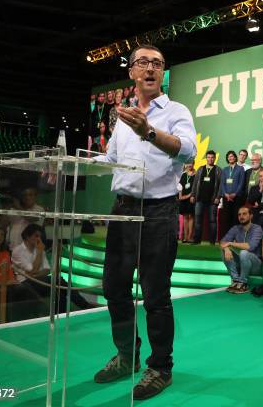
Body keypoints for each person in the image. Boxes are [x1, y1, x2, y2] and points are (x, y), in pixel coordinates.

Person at [93, 45, 197, 400]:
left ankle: (160, 367)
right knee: (114, 289)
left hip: (158, 212)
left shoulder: (176, 111)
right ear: (132, 72)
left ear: (163, 72)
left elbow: (187, 150)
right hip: (122, 211)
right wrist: (65, 163)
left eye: (157, 64)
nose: (151, 68)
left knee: (155, 295)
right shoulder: (120, 116)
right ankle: (126, 356)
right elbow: (110, 158)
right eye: (143, 63)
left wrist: (149, 131)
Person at [220, 206, 263, 294]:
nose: (241, 216)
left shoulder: (257, 229)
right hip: (242, 262)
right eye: (239, 214)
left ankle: (243, 283)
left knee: (244, 253)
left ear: (251, 216)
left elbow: (250, 247)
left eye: (244, 214)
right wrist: (226, 248)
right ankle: (235, 281)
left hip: (256, 265)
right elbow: (222, 242)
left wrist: (231, 243)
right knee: (224, 250)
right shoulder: (236, 228)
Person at [191, 150, 222, 245]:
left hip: (212, 200)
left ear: (215, 158)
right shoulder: (200, 169)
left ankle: (212, 242)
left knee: (212, 221)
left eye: (212, 157)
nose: (210, 159)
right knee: (197, 220)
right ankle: (196, 241)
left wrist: (218, 197)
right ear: (206, 158)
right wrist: (192, 195)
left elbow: (221, 185)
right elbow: (195, 183)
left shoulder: (218, 170)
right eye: (208, 157)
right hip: (199, 199)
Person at [221, 150, 245, 229]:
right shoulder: (225, 169)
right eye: (228, 157)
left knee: (236, 217)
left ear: (235, 158)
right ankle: (228, 237)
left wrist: (235, 194)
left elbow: (241, 183)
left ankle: (236, 238)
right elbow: (222, 183)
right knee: (227, 218)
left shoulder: (240, 169)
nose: (230, 158)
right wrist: (225, 194)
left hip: (237, 197)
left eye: (232, 156)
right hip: (226, 197)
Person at [178, 162, 196, 243]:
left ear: (194, 164)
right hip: (184, 199)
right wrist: (181, 196)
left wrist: (191, 195)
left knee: (191, 216)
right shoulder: (183, 175)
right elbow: (180, 186)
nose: (189, 165)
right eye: (188, 164)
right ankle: (185, 237)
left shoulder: (196, 175)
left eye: (191, 163)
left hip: (192, 198)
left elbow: (197, 187)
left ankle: (189, 237)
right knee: (185, 217)